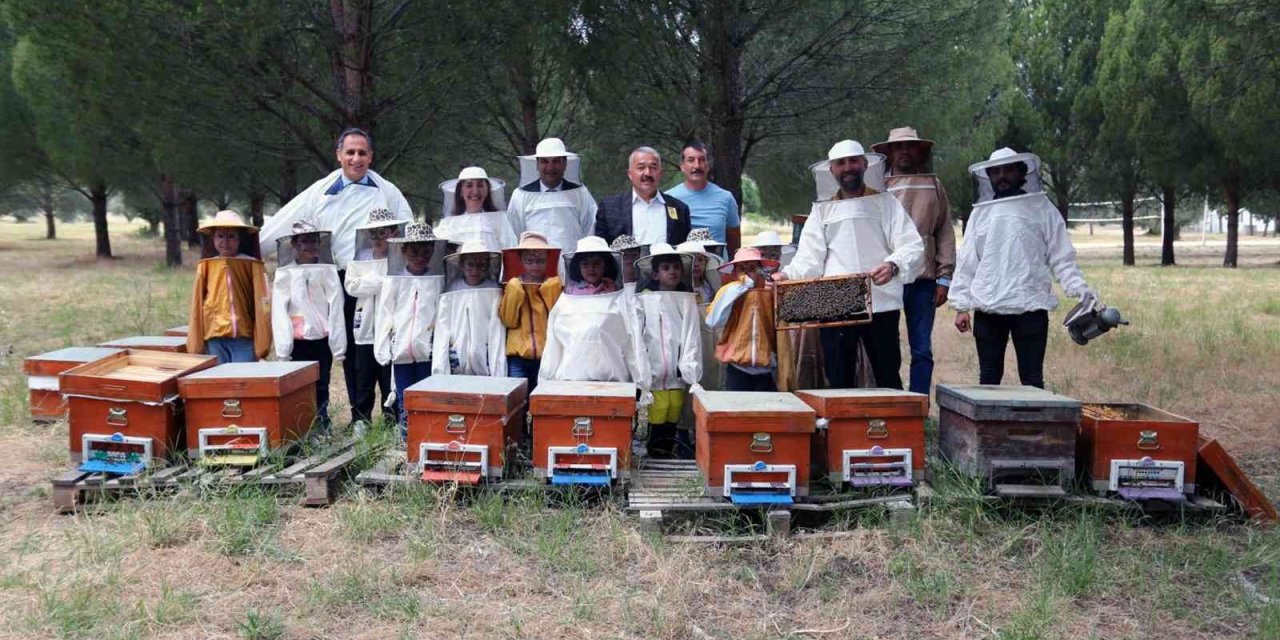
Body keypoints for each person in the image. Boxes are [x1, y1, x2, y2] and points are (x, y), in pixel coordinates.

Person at [257, 128, 414, 428]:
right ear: (339, 155)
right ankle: (359, 417)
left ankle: (393, 414)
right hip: (337, 280)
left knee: (386, 344)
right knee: (353, 352)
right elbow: (286, 220)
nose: (356, 158)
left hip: (382, 280)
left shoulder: (387, 191)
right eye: (350, 152)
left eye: (363, 153)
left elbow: (405, 229)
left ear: (371, 156)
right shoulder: (321, 190)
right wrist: (253, 249)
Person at [774, 140, 924, 390]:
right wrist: (786, 274)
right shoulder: (822, 210)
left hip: (880, 299)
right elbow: (810, 258)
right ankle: (842, 429)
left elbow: (913, 245)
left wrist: (893, 265)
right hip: (835, 300)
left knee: (887, 372)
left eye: (853, 161)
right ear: (831, 170)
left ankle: (893, 426)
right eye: (840, 163)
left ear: (865, 164)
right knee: (838, 375)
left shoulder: (886, 203)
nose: (848, 168)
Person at [949, 148, 1094, 389]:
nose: (1002, 176)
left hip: (1031, 304)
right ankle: (989, 427)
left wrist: (1077, 287)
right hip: (989, 306)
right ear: (988, 176)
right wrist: (961, 306)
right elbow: (967, 261)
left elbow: (1062, 256)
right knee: (988, 381)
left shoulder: (1043, 208)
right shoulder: (980, 213)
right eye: (996, 171)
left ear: (1022, 172)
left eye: (1008, 170)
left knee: (1033, 380)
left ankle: (1033, 427)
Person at [872, 127, 956, 396]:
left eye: (910, 146)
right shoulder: (877, 187)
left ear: (919, 150)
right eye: (899, 147)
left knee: (921, 347)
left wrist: (944, 277)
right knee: (885, 346)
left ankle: (919, 403)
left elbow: (944, 230)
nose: (904, 151)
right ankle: (893, 402)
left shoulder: (933, 184)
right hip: (886, 278)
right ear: (890, 153)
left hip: (923, 278)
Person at [539, 236, 649, 389]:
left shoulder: (621, 299)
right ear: (578, 267)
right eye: (585, 264)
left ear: (606, 266)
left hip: (613, 382)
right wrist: (546, 382)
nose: (591, 268)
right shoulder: (565, 300)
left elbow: (634, 344)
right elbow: (553, 346)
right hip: (570, 382)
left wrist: (641, 382)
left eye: (597, 263)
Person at [272, 221, 347, 432]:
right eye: (304, 241)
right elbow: (279, 311)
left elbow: (336, 306)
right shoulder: (285, 273)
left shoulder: (327, 270)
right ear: (294, 244)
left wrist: (338, 345)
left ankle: (322, 422)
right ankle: (300, 424)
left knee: (322, 383)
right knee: (297, 384)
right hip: (296, 341)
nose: (310, 245)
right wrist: (283, 348)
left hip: (321, 338)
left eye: (314, 240)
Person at [375, 222, 448, 429]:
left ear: (433, 251)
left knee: (426, 395)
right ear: (403, 250)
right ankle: (406, 438)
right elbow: (385, 314)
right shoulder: (395, 280)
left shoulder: (437, 280)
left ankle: (426, 436)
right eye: (414, 251)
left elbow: (442, 318)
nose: (420, 257)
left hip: (428, 350)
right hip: (400, 351)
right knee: (404, 394)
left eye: (426, 252)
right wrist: (382, 347)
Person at [634, 244, 702, 458]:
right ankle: (655, 452)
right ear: (655, 273)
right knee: (658, 410)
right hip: (654, 366)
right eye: (666, 267)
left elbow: (691, 334)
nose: (672, 271)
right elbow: (639, 334)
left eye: (676, 267)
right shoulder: (644, 298)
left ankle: (666, 451)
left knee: (674, 408)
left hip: (677, 367)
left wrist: (689, 366)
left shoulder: (686, 298)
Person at [343, 208, 405, 427]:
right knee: (363, 380)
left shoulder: (402, 259)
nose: (379, 238)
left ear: (394, 232)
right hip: (365, 330)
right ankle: (361, 421)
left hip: (391, 330)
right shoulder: (359, 260)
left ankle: (392, 422)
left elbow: (401, 290)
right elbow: (352, 287)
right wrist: (382, 282)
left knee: (389, 379)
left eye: (384, 232)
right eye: (374, 233)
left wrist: (370, 282)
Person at [187, 210, 272, 363]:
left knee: (243, 381)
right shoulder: (206, 265)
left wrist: (262, 342)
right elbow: (197, 303)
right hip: (214, 336)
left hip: (244, 335)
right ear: (213, 238)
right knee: (220, 383)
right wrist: (196, 343)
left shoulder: (252, 264)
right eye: (220, 236)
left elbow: (263, 301)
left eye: (231, 236)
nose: (225, 241)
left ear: (240, 239)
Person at [506, 137, 598, 253]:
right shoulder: (521, 195)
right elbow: (514, 234)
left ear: (565, 163)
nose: (550, 167)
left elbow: (590, 230)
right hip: (535, 265)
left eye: (556, 161)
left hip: (572, 264)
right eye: (545, 161)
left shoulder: (580, 193)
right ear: (537, 164)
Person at [706, 247, 780, 391]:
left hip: (766, 369)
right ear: (735, 272)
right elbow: (713, 321)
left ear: (760, 270)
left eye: (752, 267)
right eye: (741, 268)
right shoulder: (728, 291)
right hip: (737, 368)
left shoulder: (771, 294)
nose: (747, 272)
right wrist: (742, 285)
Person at [499, 232, 563, 392]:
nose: (535, 265)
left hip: (547, 355)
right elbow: (508, 320)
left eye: (540, 261)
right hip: (517, 357)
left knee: (543, 400)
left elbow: (559, 319)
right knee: (517, 400)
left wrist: (548, 289)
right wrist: (515, 291)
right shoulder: (513, 286)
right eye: (530, 260)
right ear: (520, 260)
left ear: (547, 260)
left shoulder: (554, 286)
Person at [433, 240, 507, 376]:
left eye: (482, 265)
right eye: (470, 265)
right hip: (456, 358)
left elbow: (497, 330)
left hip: (484, 359)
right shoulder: (452, 289)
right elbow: (443, 327)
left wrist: (498, 370)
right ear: (461, 265)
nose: (475, 270)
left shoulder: (493, 289)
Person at [594, 147, 691, 246]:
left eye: (653, 168)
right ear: (630, 174)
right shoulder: (609, 208)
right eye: (641, 168)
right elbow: (600, 251)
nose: (647, 173)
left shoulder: (680, 209)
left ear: (660, 173)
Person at [667, 141, 741, 256]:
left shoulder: (726, 198)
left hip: (718, 269)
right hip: (684, 268)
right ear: (682, 166)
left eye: (701, 160)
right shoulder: (669, 199)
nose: (697, 165)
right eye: (691, 160)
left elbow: (734, 244)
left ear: (708, 165)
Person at [435, 166, 518, 249]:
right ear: (460, 191)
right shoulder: (447, 224)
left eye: (480, 185)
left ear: (487, 190)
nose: (475, 191)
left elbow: (510, 251)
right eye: (469, 185)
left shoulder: (500, 221)